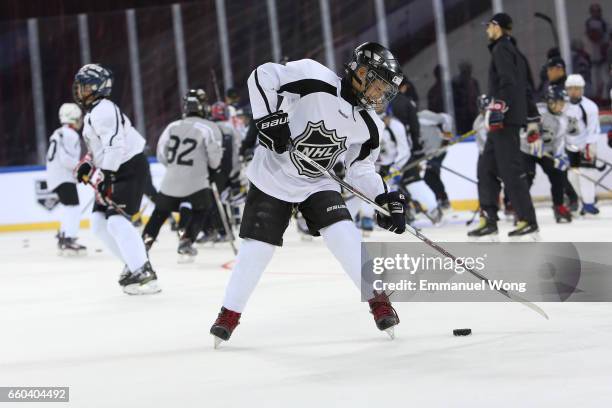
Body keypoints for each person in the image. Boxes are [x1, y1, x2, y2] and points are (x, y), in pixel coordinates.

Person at [209, 42, 407, 346]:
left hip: (318, 182)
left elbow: (360, 170)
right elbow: (261, 76)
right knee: (256, 251)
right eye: (378, 84)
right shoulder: (314, 78)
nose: (380, 94)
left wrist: (383, 199)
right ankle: (229, 315)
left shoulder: (370, 126)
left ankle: (378, 300)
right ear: (361, 72)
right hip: (272, 177)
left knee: (345, 236)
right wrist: (267, 118)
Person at [73, 63, 160, 295]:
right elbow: (101, 148)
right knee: (99, 224)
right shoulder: (94, 112)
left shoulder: (103, 109)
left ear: (98, 87)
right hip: (115, 169)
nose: (80, 90)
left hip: (128, 167)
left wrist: (108, 176)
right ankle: (134, 265)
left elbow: (116, 145)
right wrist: (87, 165)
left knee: (116, 221)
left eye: (85, 86)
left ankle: (143, 271)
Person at [468, 12, 540, 239]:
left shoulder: (502, 50)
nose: (487, 30)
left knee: (510, 171)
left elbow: (508, 82)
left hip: (503, 121)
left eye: (489, 25)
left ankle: (528, 220)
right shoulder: (515, 52)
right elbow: (526, 87)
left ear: (497, 27)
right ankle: (489, 217)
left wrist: (498, 109)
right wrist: (532, 117)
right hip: (504, 119)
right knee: (486, 168)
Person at [142, 89, 223, 260]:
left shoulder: (172, 126)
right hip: (197, 182)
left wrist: (175, 168)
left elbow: (161, 155)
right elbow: (215, 161)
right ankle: (186, 241)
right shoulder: (209, 128)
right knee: (203, 208)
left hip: (171, 181)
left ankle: (144, 244)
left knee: (159, 213)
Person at [520, 86, 576, 223]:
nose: (562, 106)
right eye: (560, 102)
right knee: (526, 178)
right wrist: (530, 139)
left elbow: (559, 140)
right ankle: (521, 210)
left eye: (563, 102)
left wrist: (560, 156)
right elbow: (522, 129)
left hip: (546, 152)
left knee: (558, 175)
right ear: (550, 101)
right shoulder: (537, 110)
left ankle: (559, 206)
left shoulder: (563, 118)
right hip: (527, 151)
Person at [46, 103, 86, 254]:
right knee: (73, 207)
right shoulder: (71, 134)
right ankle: (69, 238)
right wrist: (82, 166)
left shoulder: (58, 132)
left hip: (56, 176)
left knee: (68, 206)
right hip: (63, 176)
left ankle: (64, 235)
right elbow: (66, 159)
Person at [565, 74, 602, 215]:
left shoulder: (590, 107)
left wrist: (589, 146)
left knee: (587, 174)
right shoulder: (563, 105)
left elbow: (593, 128)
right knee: (572, 177)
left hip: (586, 146)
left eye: (577, 88)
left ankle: (589, 203)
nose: (574, 91)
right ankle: (581, 202)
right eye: (571, 88)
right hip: (569, 147)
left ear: (582, 89)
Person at [418, 109, 454, 210]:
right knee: (430, 176)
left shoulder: (422, 116)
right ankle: (442, 200)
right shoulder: (405, 124)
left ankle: (443, 200)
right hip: (429, 154)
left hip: (438, 150)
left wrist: (446, 138)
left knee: (429, 176)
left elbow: (446, 118)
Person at [452, 61, 481, 134]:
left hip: (473, 115)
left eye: (469, 70)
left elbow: (477, 97)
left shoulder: (474, 82)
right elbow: (455, 101)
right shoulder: (456, 83)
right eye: (465, 70)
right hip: (462, 118)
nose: (468, 72)